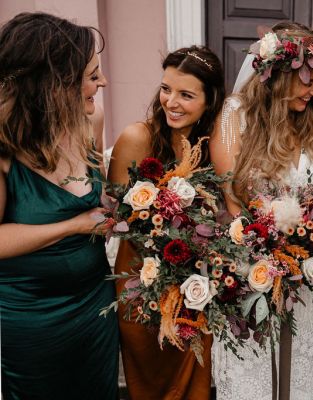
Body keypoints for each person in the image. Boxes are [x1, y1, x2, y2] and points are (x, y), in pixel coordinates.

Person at [209, 22, 313, 400]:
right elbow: (232, 200)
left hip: (307, 278)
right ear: (280, 73)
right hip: (254, 272)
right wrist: (270, 254)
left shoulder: (311, 122)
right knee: (255, 374)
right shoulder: (235, 115)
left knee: (302, 375)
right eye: (309, 81)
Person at [0, 12, 118, 399]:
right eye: (92, 75)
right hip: (31, 319)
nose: (102, 83)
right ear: (55, 83)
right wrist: (74, 225)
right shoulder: (4, 149)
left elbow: (97, 194)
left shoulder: (90, 121)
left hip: (96, 306)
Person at [107, 45, 224, 400]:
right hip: (140, 287)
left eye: (186, 94)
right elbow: (116, 217)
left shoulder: (214, 146)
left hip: (195, 292)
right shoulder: (136, 138)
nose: (170, 102)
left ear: (210, 100)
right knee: (150, 385)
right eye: (165, 89)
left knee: (194, 385)